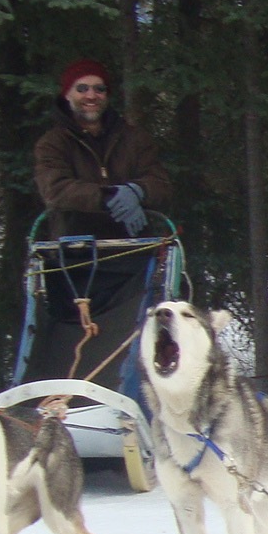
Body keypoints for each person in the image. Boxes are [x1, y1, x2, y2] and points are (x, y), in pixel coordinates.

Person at [31, 59, 175, 348]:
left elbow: (160, 182)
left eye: (99, 88)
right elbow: (55, 189)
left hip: (131, 258)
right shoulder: (53, 144)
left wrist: (137, 191)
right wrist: (108, 197)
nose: (91, 95)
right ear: (67, 95)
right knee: (76, 342)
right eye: (82, 88)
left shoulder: (133, 139)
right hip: (73, 261)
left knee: (130, 339)